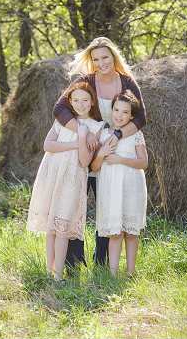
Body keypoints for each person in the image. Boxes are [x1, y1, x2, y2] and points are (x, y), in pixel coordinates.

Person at [52, 37, 147, 268]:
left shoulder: (127, 83)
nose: (101, 62)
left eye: (105, 57)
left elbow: (141, 116)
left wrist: (116, 135)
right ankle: (74, 263)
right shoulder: (86, 81)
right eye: (96, 59)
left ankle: (101, 263)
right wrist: (85, 130)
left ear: (113, 57)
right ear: (91, 61)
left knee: (108, 208)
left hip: (112, 152)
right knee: (75, 206)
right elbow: (59, 108)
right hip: (86, 152)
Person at [26, 82, 103, 281]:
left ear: (92, 102)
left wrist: (85, 134)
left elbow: (85, 161)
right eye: (76, 100)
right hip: (52, 174)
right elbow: (48, 145)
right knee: (51, 226)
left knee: (62, 227)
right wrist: (80, 138)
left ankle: (58, 276)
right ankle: (49, 272)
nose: (81, 104)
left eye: (85, 100)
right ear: (69, 102)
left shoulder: (96, 127)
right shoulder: (63, 120)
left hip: (72, 178)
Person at [91, 91, 149, 277]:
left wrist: (118, 159)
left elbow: (143, 163)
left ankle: (130, 273)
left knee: (131, 233)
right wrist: (101, 154)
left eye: (125, 112)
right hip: (110, 188)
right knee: (115, 233)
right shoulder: (103, 136)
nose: (119, 115)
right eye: (116, 110)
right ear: (111, 110)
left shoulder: (135, 135)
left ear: (132, 116)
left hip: (132, 187)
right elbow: (95, 167)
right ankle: (113, 275)